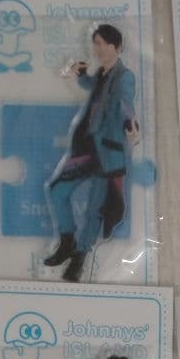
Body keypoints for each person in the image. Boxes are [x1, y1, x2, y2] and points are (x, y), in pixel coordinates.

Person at [45, 23, 140, 282]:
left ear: (115, 46)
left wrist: (130, 123)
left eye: (100, 43)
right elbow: (93, 88)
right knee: (57, 190)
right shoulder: (101, 74)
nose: (96, 48)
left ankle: (79, 257)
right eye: (94, 43)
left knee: (95, 209)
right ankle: (67, 241)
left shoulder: (124, 76)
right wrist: (80, 74)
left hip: (107, 151)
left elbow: (125, 102)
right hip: (85, 147)